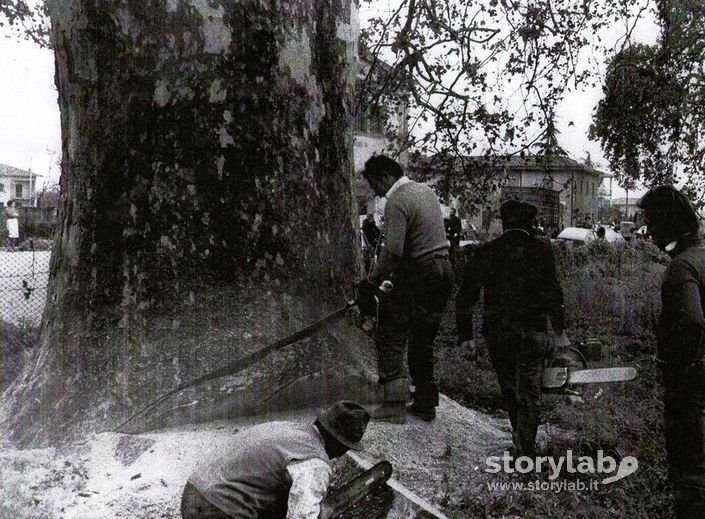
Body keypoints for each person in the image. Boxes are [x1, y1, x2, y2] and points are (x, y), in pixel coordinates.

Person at [455, 199, 570, 456]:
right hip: (533, 330)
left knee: (509, 386)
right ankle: (525, 444)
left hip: (499, 333)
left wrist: (466, 336)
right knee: (530, 387)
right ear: (531, 224)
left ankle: (520, 436)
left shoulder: (486, 252)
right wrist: (560, 331)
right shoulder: (542, 250)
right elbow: (554, 292)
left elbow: (465, 297)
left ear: (503, 223)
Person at [359, 155, 454, 423]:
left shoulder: (397, 200)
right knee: (422, 340)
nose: (375, 191)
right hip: (444, 270)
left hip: (421, 272)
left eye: (375, 184)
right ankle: (425, 402)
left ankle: (393, 405)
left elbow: (394, 251)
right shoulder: (425, 191)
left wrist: (373, 279)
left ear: (385, 176)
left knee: (390, 331)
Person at [181, 401, 370, 519]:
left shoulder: (288, 429)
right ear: (341, 445)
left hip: (193, 492)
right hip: (218, 510)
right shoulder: (316, 463)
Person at [638, 186, 705, 518]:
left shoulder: (681, 267)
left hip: (691, 386)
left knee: (691, 471)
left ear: (669, 222)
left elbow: (692, 323)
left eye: (652, 222)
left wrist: (676, 365)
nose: (648, 231)